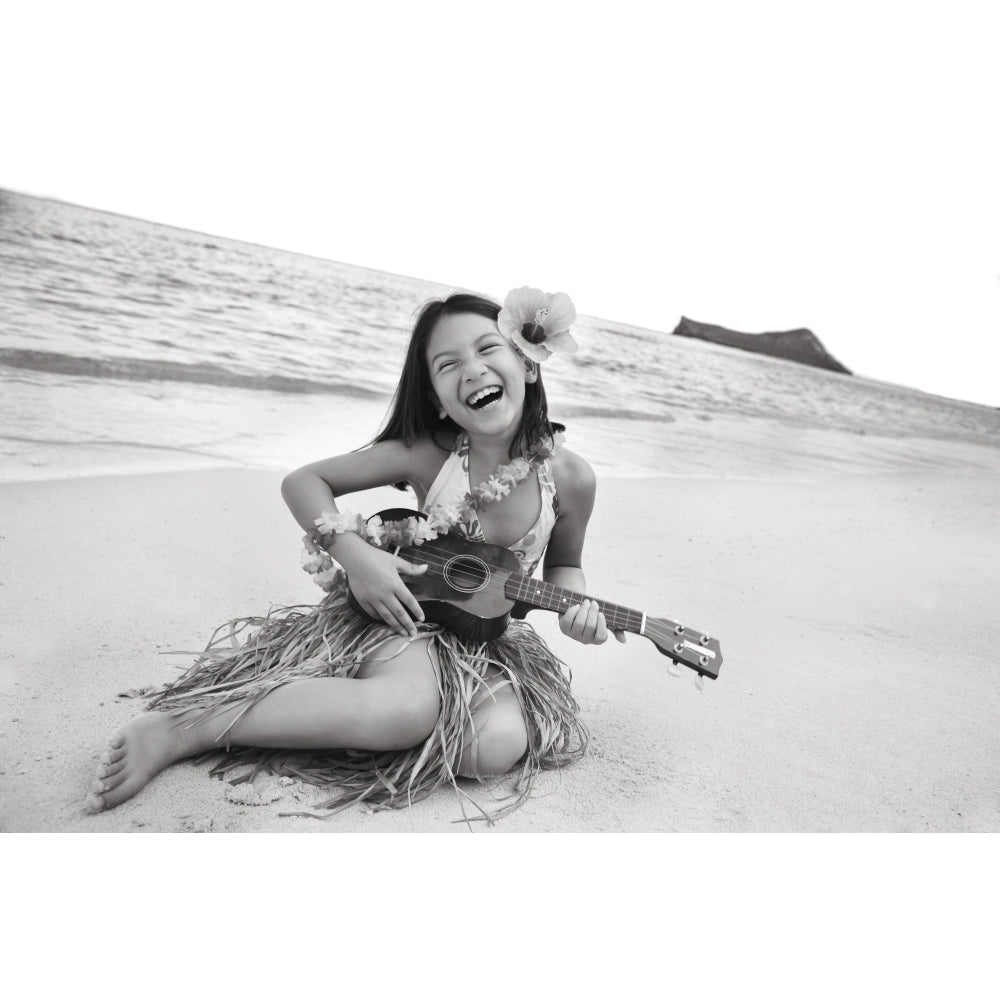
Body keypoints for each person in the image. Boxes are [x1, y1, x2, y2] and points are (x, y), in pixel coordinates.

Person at [85, 287, 624, 823]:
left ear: (527, 364)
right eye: (448, 363)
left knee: (493, 747)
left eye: (487, 349)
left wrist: (575, 607)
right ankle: (189, 726)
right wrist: (359, 560)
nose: (473, 369)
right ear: (437, 397)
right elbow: (305, 481)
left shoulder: (570, 479)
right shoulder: (429, 452)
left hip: (487, 639)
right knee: (406, 710)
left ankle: (360, 723)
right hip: (405, 615)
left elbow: (564, 566)